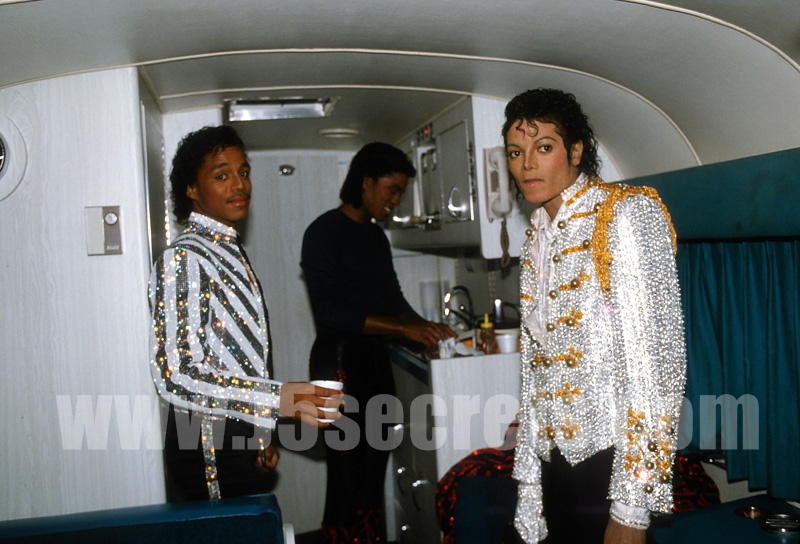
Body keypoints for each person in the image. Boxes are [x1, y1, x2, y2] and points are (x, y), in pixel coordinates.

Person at [504, 89, 686, 543]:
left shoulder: (625, 214)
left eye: (544, 147)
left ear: (575, 151)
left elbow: (656, 371)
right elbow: (534, 370)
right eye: (515, 152)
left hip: (610, 463)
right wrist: (530, 480)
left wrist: (632, 509)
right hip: (552, 460)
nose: (527, 164)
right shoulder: (535, 237)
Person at [149, 125, 343, 502]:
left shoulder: (226, 249)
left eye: (243, 172)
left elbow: (235, 360)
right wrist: (280, 398)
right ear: (192, 189)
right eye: (222, 175)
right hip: (206, 448)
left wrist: (258, 433)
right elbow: (177, 374)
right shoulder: (184, 259)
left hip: (232, 440)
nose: (240, 185)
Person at [301, 142, 456, 543]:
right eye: (392, 189)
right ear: (366, 182)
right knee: (347, 477)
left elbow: (393, 300)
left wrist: (428, 330)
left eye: (400, 192)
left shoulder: (375, 237)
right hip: (337, 367)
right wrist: (405, 330)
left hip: (374, 362)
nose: (396, 200)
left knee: (373, 471)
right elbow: (331, 313)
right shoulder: (322, 232)